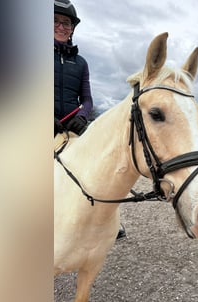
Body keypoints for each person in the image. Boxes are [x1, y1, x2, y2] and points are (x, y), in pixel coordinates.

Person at [54, 0, 126, 239]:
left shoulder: (81, 63)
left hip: (72, 125)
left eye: (66, 23)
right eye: (55, 21)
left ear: (73, 28)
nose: (61, 26)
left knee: (104, 162)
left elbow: (87, 100)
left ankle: (109, 218)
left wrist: (82, 116)